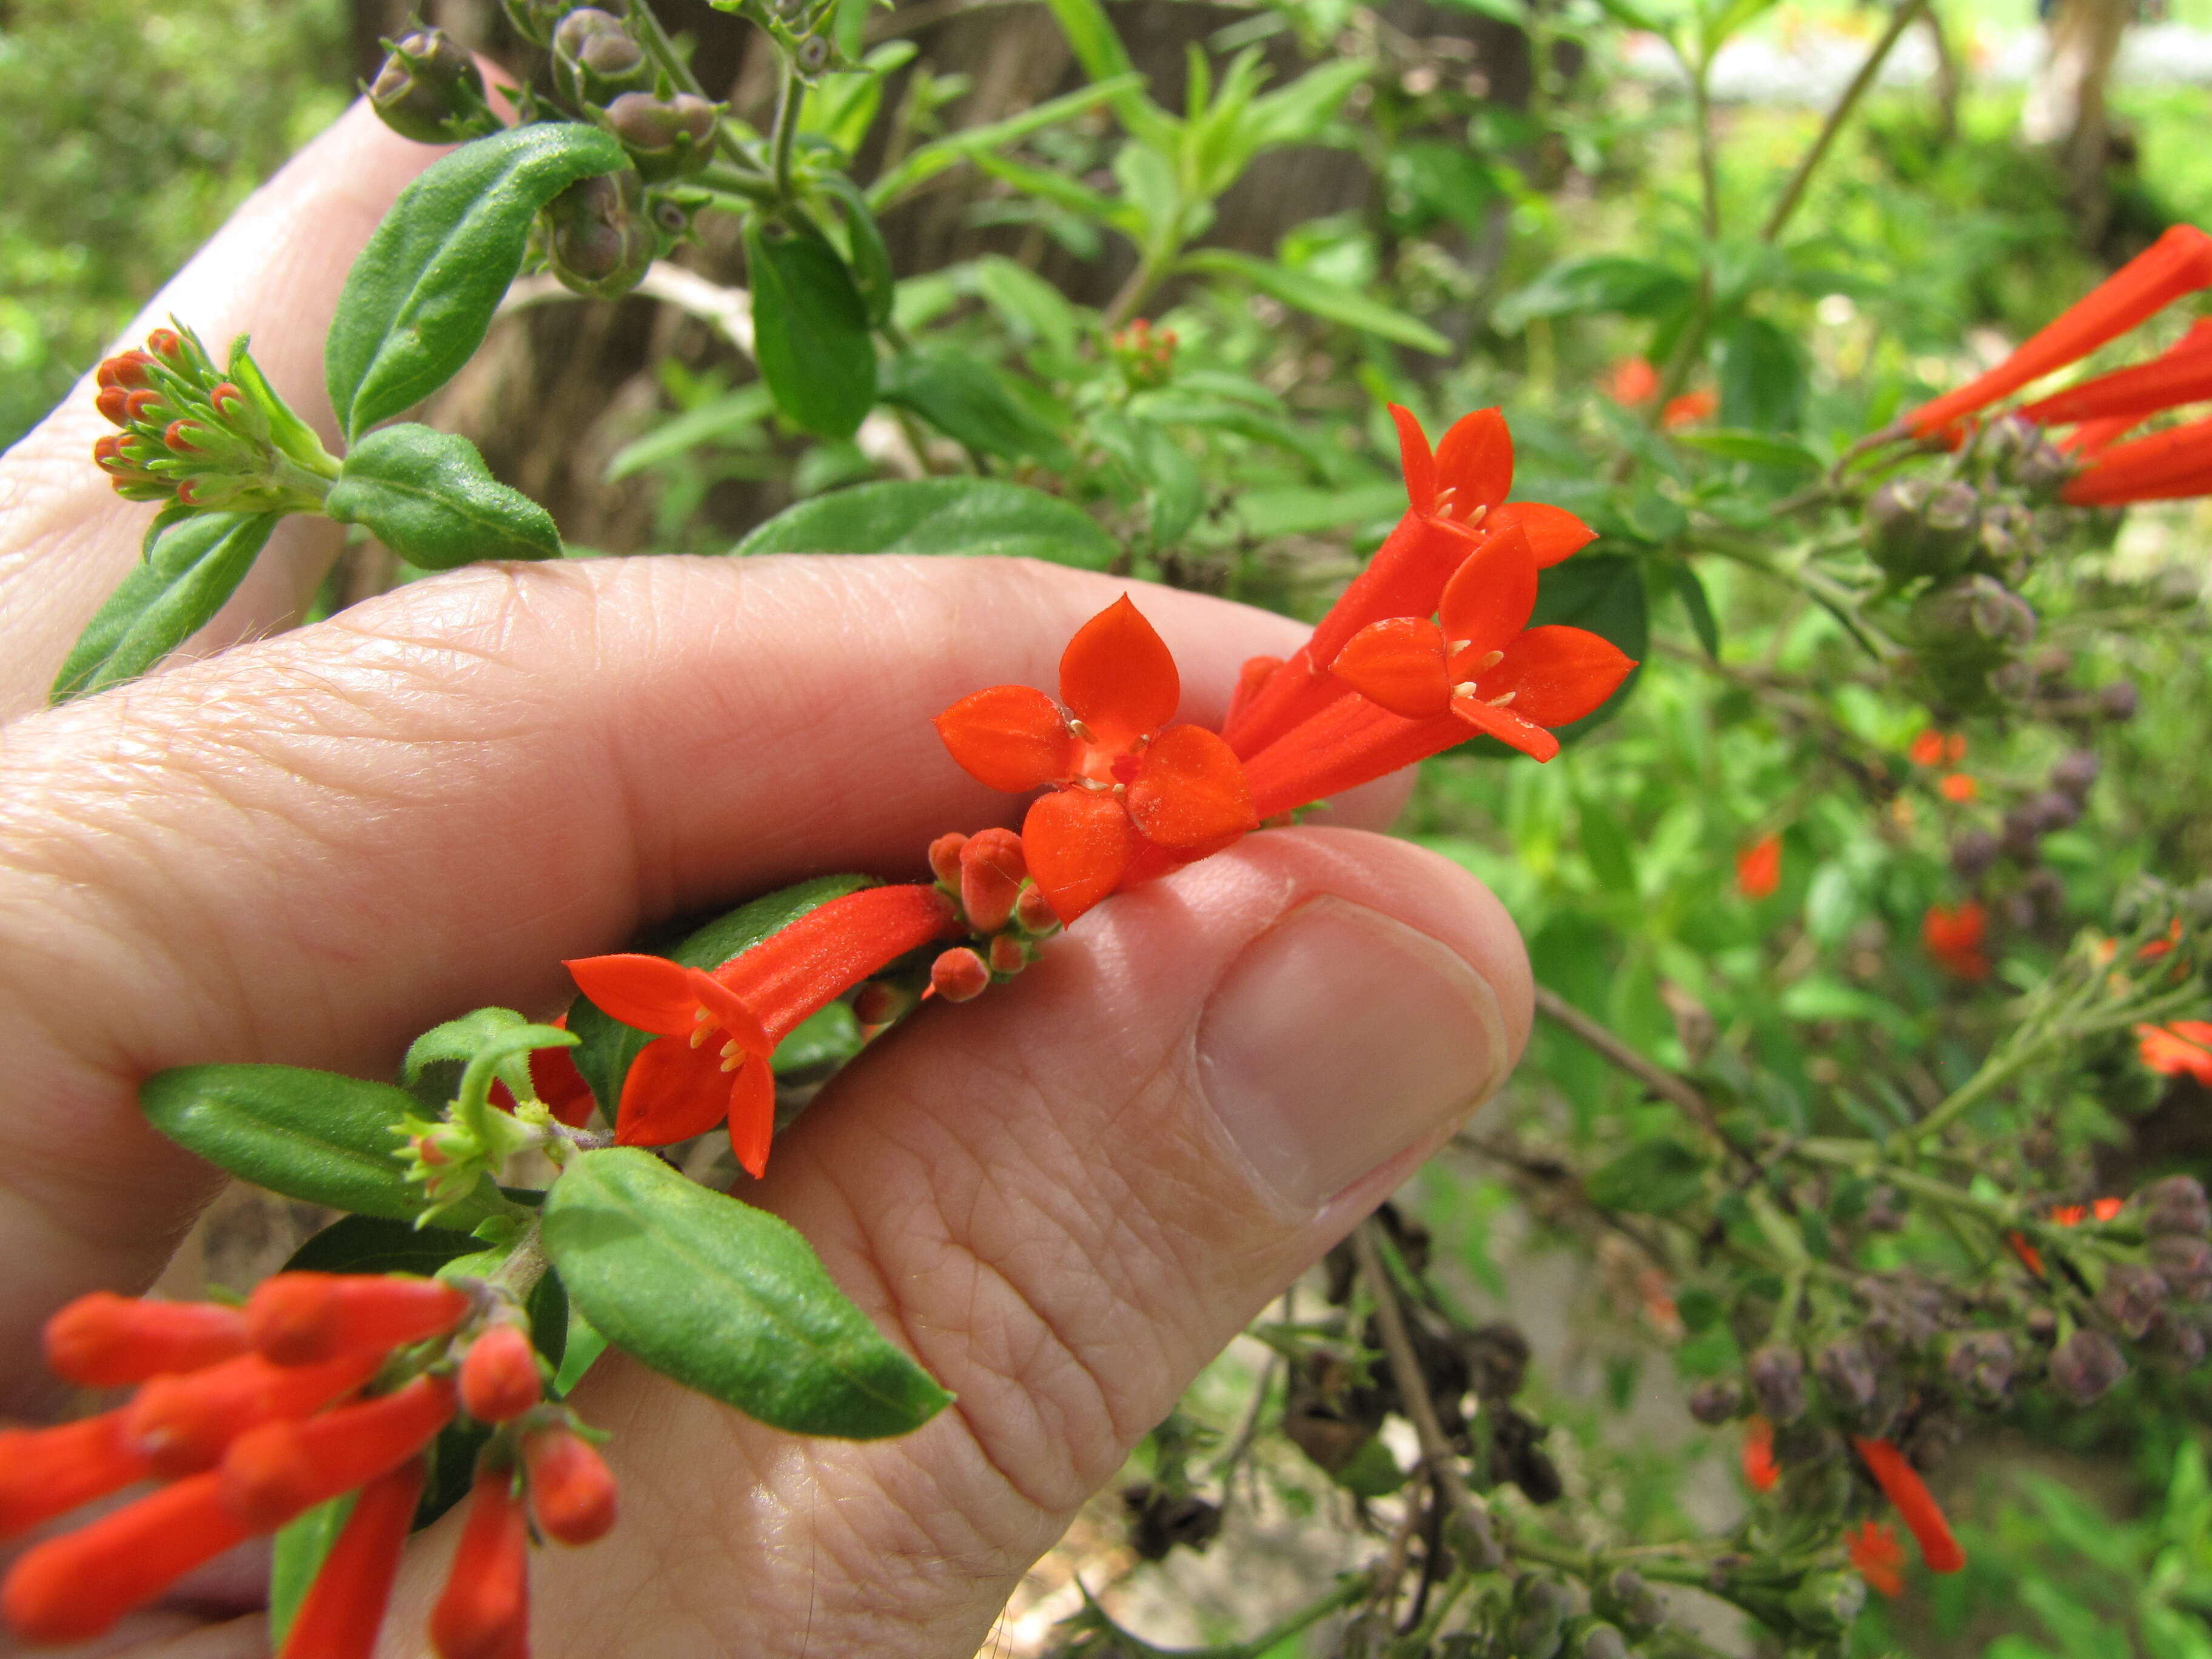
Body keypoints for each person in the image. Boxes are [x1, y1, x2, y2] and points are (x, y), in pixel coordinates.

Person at [0, 100, 1529, 1658]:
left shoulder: (1120, 772)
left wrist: (1002, 893)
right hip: (901, 936)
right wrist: (844, 971)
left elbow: (1108, 821)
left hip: (1020, 879)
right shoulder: (781, 976)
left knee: (1279, 729)